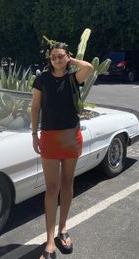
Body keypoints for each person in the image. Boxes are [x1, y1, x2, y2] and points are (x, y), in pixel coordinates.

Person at [31, 42, 93, 259]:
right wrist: (34, 135)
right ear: (49, 59)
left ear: (67, 57)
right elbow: (36, 107)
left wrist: (71, 61)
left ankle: (63, 229)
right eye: (54, 57)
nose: (57, 59)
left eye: (61, 56)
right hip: (49, 137)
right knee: (51, 188)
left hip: (71, 137)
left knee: (67, 183)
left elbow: (90, 68)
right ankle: (49, 242)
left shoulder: (73, 78)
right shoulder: (42, 79)